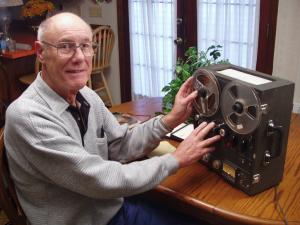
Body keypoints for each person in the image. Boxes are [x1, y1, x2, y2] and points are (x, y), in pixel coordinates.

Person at [4, 12, 220, 225]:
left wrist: (170, 120)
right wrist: (176, 159)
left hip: (110, 208)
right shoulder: (28, 116)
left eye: (86, 45)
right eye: (65, 46)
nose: (79, 57)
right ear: (40, 52)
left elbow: (120, 145)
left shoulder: (86, 95)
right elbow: (99, 179)